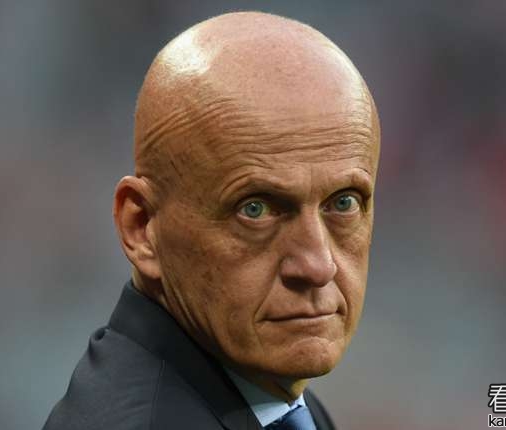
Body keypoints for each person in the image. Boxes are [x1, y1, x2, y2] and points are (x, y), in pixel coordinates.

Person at [44, 11, 381, 430]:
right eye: (255, 209)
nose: (317, 266)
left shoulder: (267, 397)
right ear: (141, 227)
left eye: (343, 202)